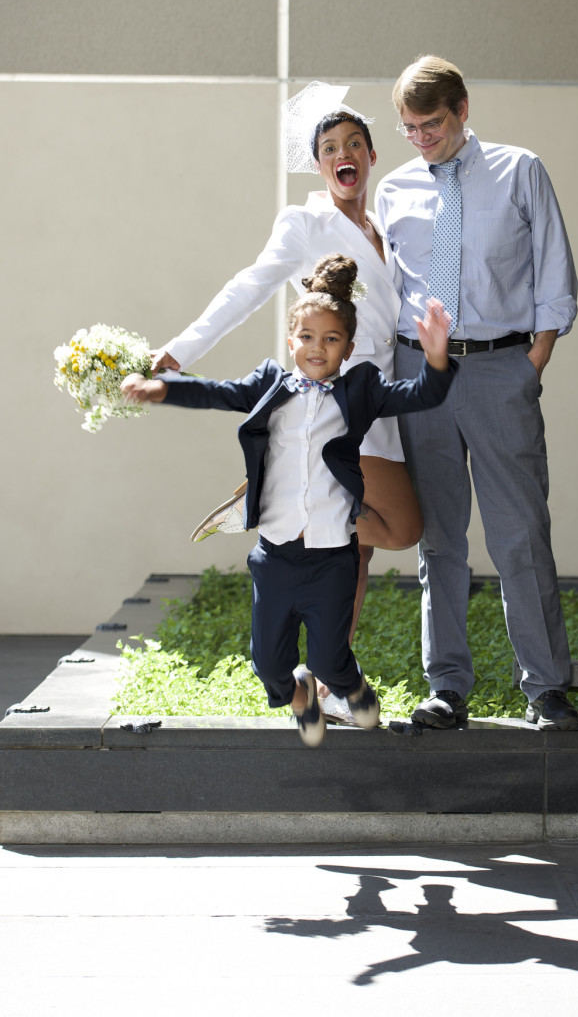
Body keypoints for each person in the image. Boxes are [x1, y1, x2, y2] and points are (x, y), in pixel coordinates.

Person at [151, 82, 420, 722]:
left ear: (372, 154)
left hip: (381, 396)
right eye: (330, 147)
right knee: (400, 529)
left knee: (358, 548)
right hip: (338, 403)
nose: (343, 153)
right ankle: (292, 497)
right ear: (319, 162)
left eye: (354, 142)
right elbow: (249, 286)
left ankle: (330, 673)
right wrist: (181, 351)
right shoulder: (305, 222)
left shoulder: (389, 227)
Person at [122, 254, 456, 746]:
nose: (316, 348)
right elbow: (216, 392)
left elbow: (423, 394)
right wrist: (160, 389)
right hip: (276, 554)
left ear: (348, 347)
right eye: (306, 337)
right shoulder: (269, 386)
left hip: (331, 558)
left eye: (331, 339)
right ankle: (299, 694)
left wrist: (436, 357)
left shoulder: (360, 390)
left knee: (328, 657)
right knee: (268, 664)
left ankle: (349, 686)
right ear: (290, 340)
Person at [375, 55, 578, 732]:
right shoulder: (395, 188)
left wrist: (535, 358)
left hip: (499, 367)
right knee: (441, 537)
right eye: (408, 128)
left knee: (520, 532)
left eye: (430, 124)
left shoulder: (521, 171)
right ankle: (448, 688)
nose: (420, 139)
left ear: (463, 109)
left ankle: (548, 688)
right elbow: (387, 290)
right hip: (421, 375)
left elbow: (554, 266)